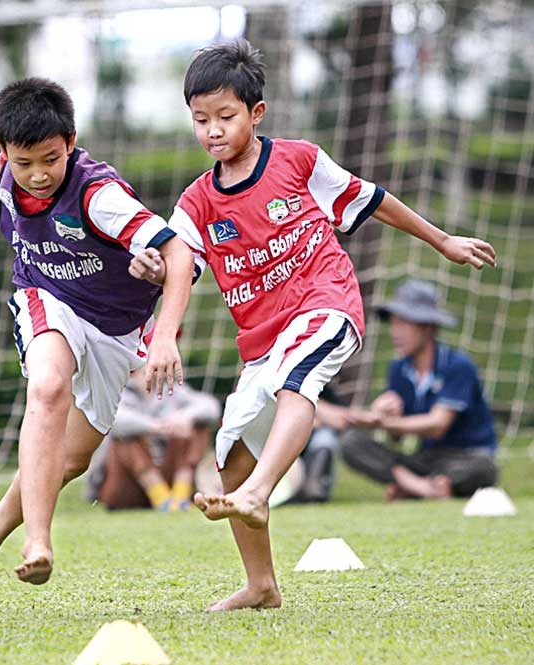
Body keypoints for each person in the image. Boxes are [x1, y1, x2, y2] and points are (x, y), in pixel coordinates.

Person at [130, 39, 496, 611]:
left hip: (328, 306)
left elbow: (373, 199)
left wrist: (442, 239)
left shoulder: (299, 161)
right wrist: (159, 301)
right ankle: (261, 585)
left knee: (294, 380)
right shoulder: (197, 202)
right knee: (230, 450)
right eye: (201, 120)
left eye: (226, 116)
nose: (213, 131)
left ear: (256, 113)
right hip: (261, 341)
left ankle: (259, 493)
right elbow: (179, 268)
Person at [0, 78, 195, 596]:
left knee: (71, 460)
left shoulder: (99, 197)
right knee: (47, 387)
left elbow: (178, 253)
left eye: (50, 159)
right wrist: (7, 163)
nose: (38, 175)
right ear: (3, 150)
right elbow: (20, 160)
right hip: (46, 295)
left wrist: (164, 335)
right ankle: (38, 543)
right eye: (23, 162)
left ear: (71, 142)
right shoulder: (9, 173)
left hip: (116, 328)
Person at [340, 279, 499, 500]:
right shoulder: (398, 369)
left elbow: (437, 425)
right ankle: (423, 487)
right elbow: (396, 436)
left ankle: (412, 486)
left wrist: (382, 423)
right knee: (351, 442)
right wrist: (385, 413)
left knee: (484, 468)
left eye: (404, 323)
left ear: (428, 327)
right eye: (393, 323)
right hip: (427, 459)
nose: (395, 332)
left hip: (466, 458)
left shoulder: (457, 365)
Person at [84, 367, 222, 512]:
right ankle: (161, 498)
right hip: (125, 487)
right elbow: (114, 421)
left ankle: (180, 497)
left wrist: (184, 417)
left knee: (197, 427)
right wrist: (156, 427)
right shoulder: (119, 392)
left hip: (169, 479)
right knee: (125, 436)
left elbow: (211, 407)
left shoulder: (174, 392)